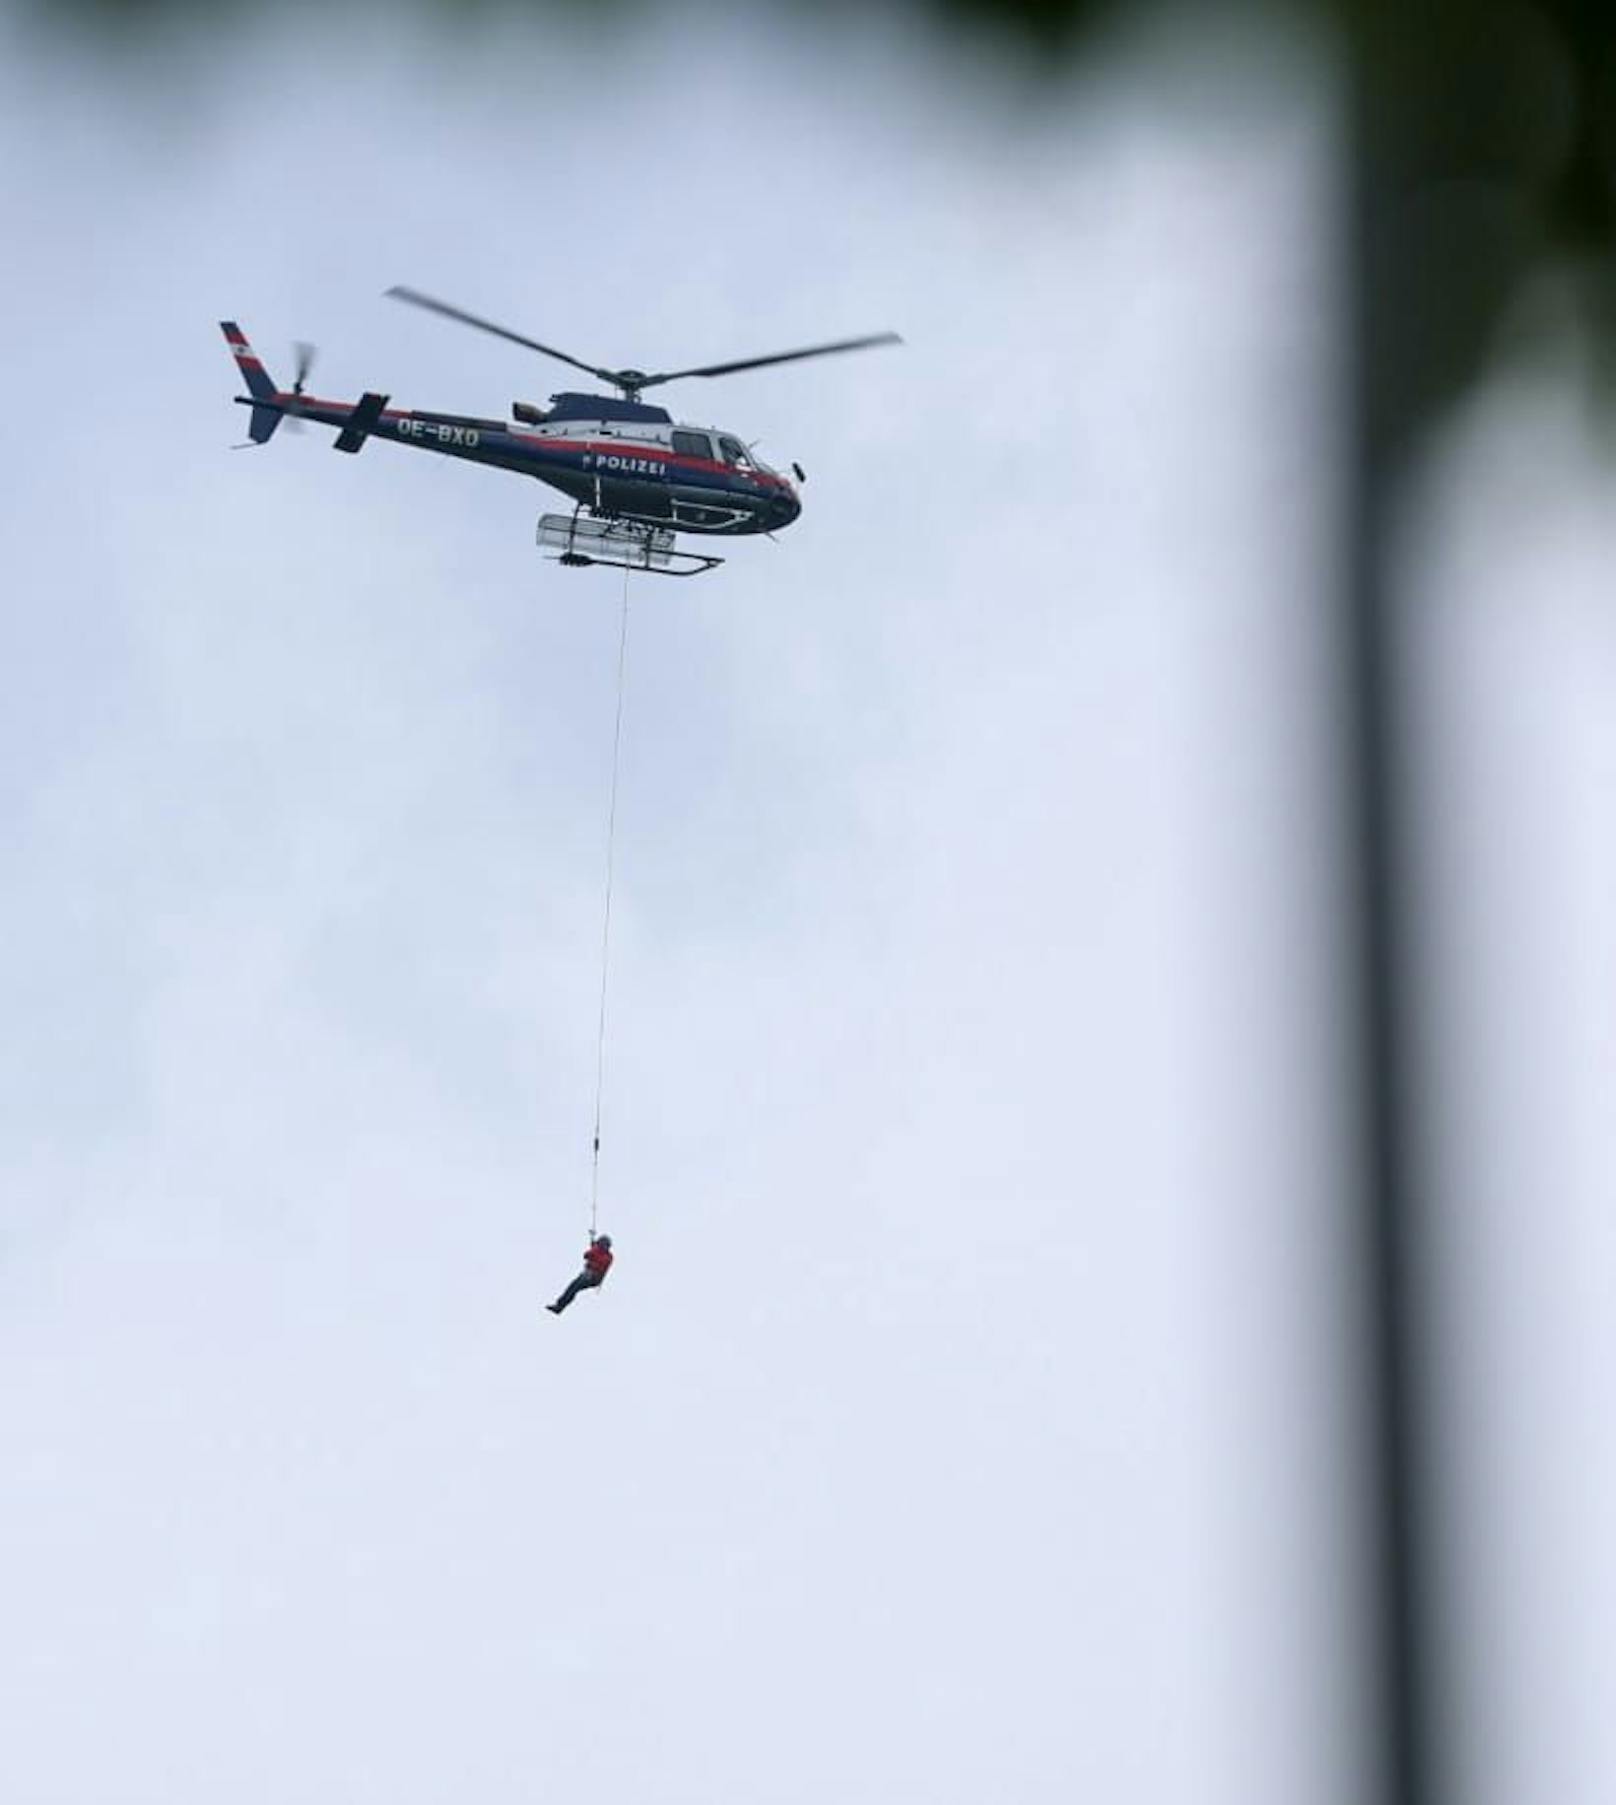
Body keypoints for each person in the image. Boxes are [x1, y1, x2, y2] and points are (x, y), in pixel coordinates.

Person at [547, 1234, 614, 1315]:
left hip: (593, 1277)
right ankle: (559, 1306)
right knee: (573, 1287)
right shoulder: (598, 1251)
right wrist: (594, 1248)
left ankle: (559, 1306)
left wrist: (594, 1248)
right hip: (588, 1275)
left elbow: (595, 1259)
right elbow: (586, 1255)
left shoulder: (608, 1257)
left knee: (574, 1287)